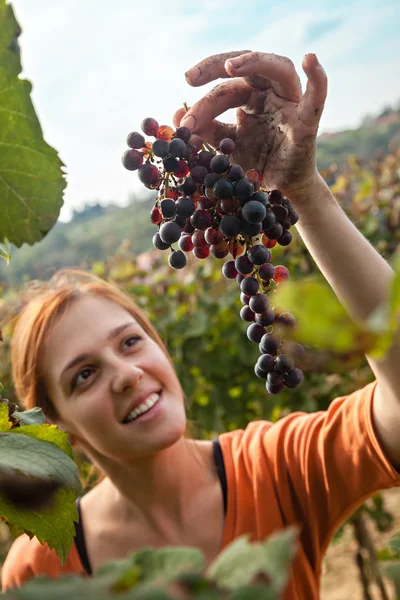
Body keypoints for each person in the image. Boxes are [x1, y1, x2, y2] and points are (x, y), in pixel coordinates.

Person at [2, 50, 400, 600]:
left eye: (131, 342)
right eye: (84, 376)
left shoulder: (276, 469)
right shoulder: (40, 571)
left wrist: (303, 189)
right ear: (55, 424)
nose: (124, 373)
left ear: (161, 348)